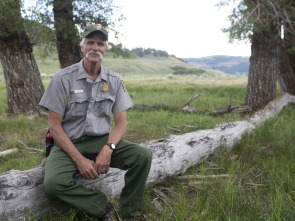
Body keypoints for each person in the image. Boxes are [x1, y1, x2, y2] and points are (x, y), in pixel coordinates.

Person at [39, 24, 152, 220]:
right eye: (90, 42)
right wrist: (79, 160)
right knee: (53, 184)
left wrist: (108, 148)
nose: (95, 47)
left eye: (100, 44)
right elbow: (54, 126)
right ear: (82, 47)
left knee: (142, 156)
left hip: (100, 140)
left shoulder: (114, 81)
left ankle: (131, 214)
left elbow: (121, 124)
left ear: (106, 50)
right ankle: (104, 207)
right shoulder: (63, 78)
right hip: (67, 142)